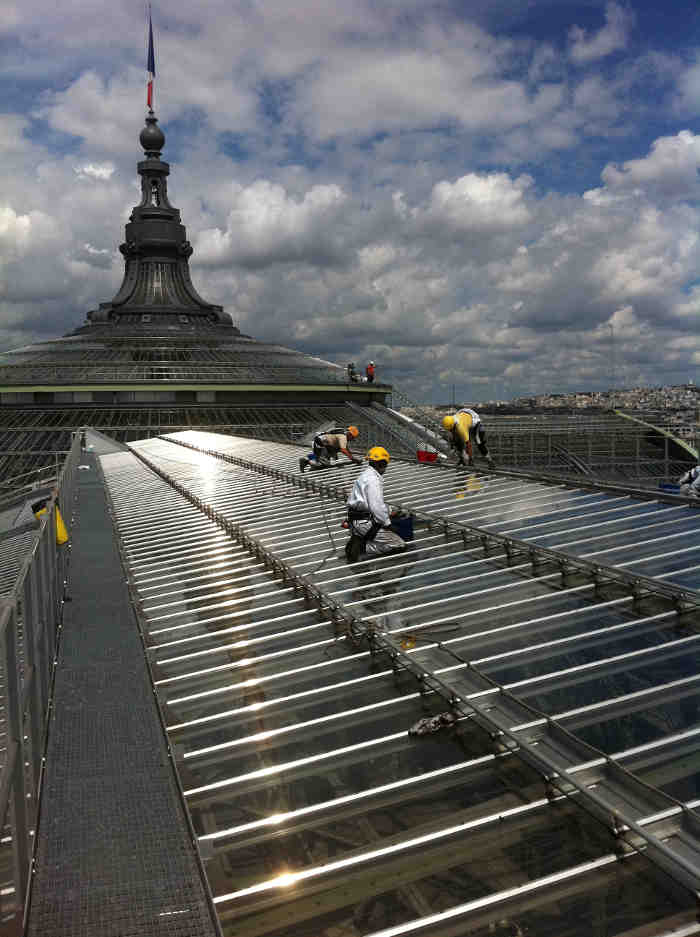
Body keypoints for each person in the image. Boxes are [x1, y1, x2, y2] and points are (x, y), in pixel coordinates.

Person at [345, 446, 406, 561]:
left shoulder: (366, 475)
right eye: (385, 465)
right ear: (381, 464)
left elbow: (371, 503)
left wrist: (390, 511)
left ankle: (360, 540)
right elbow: (376, 507)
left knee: (387, 534)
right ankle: (361, 548)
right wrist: (388, 524)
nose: (386, 469)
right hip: (365, 522)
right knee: (399, 544)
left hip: (358, 519)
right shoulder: (373, 480)